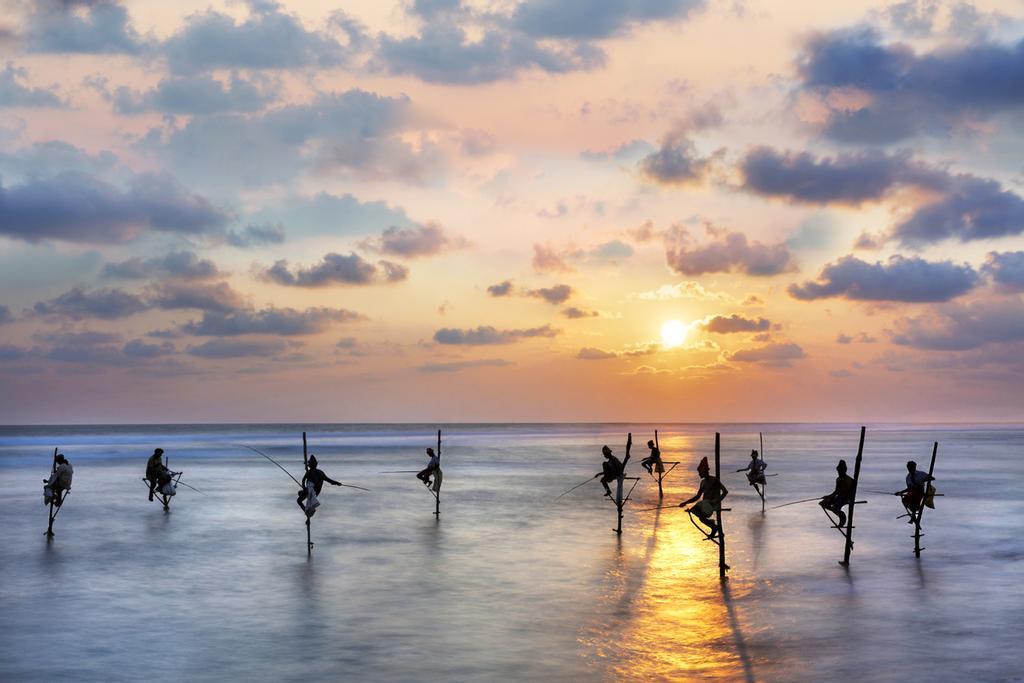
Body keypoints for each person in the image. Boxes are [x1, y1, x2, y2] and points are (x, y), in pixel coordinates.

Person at [678, 457, 728, 538]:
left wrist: (716, 501)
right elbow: (697, 496)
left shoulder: (714, 480)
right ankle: (714, 526)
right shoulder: (703, 482)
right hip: (705, 504)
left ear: (704, 472)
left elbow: (725, 492)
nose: (699, 474)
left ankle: (714, 527)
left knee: (701, 516)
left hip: (712, 504)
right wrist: (685, 503)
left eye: (700, 472)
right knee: (695, 512)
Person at [819, 459, 855, 527]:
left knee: (834, 507)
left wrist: (830, 496)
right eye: (838, 471)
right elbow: (836, 491)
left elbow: (841, 492)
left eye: (840, 471)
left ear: (844, 470)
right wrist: (828, 497)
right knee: (823, 503)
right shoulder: (838, 479)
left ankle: (842, 517)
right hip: (838, 497)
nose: (839, 473)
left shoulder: (848, 479)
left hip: (845, 498)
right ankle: (838, 512)